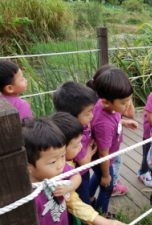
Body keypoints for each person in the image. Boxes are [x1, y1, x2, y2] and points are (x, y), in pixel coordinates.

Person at [51, 112, 126, 225]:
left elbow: (75, 177)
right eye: (76, 145)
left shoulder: (64, 164)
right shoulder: (58, 169)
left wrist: (70, 185)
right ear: (61, 148)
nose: (81, 146)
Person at [89, 68, 138, 217]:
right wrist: (106, 175)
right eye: (124, 102)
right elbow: (103, 153)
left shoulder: (109, 106)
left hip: (106, 155)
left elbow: (115, 119)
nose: (128, 104)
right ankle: (101, 214)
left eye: (129, 99)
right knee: (107, 187)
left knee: (97, 177)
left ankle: (88, 197)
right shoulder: (104, 124)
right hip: (104, 159)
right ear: (106, 102)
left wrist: (124, 122)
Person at [53, 81, 98, 209]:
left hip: (80, 173)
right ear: (72, 117)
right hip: (77, 174)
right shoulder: (75, 136)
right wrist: (90, 149)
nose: (92, 115)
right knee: (80, 203)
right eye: (88, 112)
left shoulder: (82, 125)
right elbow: (84, 161)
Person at [23, 118, 73, 225]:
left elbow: (76, 176)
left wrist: (69, 187)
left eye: (63, 156)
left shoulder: (57, 173)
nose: (61, 165)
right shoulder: (30, 198)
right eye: (53, 161)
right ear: (28, 167)